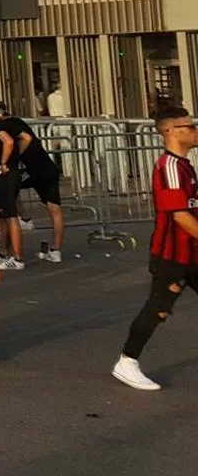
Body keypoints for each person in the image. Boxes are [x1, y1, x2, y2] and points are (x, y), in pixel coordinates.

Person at [112, 107, 198, 390]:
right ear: (170, 131)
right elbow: (180, 215)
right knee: (158, 308)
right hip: (173, 254)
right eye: (189, 126)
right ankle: (127, 361)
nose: (194, 131)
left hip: (191, 251)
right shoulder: (170, 167)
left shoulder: (184, 165)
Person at [0, 104, 65, 266]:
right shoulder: (17, 121)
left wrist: (15, 155)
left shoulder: (2, 125)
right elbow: (28, 136)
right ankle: (56, 250)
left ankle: (23, 218)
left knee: (9, 189)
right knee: (54, 208)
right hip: (47, 166)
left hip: (32, 170)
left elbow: (24, 139)